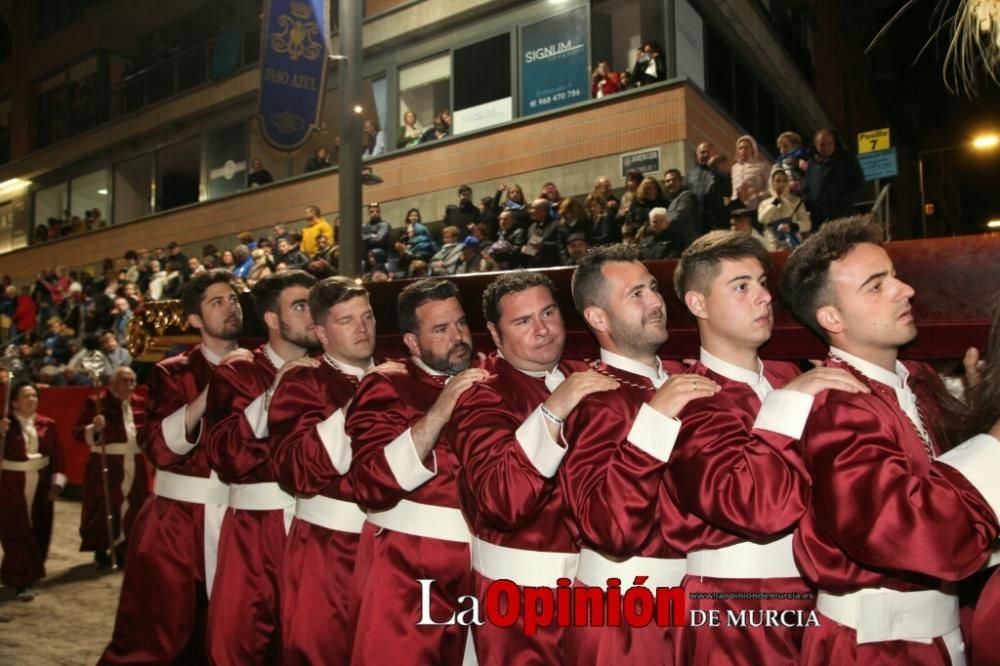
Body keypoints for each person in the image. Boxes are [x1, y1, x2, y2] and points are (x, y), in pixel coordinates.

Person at [780, 216, 1000, 665]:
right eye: (876, 286)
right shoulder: (834, 405)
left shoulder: (917, 379)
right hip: (875, 648)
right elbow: (903, 528)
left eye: (894, 276)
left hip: (940, 633)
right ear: (832, 317)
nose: (905, 290)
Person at [668, 231, 867, 665]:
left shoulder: (787, 375)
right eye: (741, 286)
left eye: (762, 283)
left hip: (819, 600)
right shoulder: (688, 397)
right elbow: (750, 506)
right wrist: (791, 402)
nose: (763, 297)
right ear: (698, 304)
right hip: (734, 608)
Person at [559, 244, 720, 663]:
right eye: (636, 294)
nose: (655, 302)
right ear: (598, 317)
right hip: (621, 617)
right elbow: (607, 529)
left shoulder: (689, 378)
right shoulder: (592, 397)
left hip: (695, 608)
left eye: (653, 288)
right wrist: (654, 419)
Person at [449, 272, 617, 663]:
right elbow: (502, 501)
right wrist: (555, 408)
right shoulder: (480, 394)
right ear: (494, 332)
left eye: (549, 313)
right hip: (519, 601)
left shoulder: (587, 374)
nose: (542, 330)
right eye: (523, 321)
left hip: (597, 592)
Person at [99, 270, 242, 664]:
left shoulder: (262, 367)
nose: (230, 307)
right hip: (176, 523)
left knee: (230, 629)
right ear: (194, 319)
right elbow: (159, 449)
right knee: (159, 633)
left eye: (233, 299)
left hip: (241, 519)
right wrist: (215, 389)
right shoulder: (172, 372)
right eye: (217, 302)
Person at [345, 279, 489, 665]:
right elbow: (368, 482)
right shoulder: (387, 384)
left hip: (483, 568)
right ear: (412, 342)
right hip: (407, 568)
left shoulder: (492, 375)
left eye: (460, 324)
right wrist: (440, 410)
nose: (458, 337)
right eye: (441, 330)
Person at [269, 277, 401, 665]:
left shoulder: (400, 375)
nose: (363, 328)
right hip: (327, 549)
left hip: (395, 548)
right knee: (320, 652)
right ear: (321, 332)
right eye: (347, 320)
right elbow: (295, 471)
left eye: (368, 316)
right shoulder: (303, 380)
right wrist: (363, 402)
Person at [203, 270, 319, 665]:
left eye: (314, 305)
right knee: (241, 640)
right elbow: (227, 458)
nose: (312, 315)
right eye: (301, 306)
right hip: (256, 529)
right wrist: (276, 391)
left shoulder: (330, 372)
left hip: (322, 533)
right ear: (272, 320)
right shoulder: (238, 372)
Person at [74, 366, 149, 569]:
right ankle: (102, 548)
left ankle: (125, 549)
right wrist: (94, 428)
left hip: (135, 460)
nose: (130, 385)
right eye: (125, 380)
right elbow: (78, 432)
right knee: (106, 505)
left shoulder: (141, 403)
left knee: (134, 504)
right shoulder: (96, 402)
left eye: (133, 380)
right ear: (112, 383)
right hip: (107, 461)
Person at [0, 380, 66, 602]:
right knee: (15, 529)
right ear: (14, 402)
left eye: (34, 396)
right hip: (10, 484)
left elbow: (57, 456)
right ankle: (21, 579)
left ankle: (24, 570)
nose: (32, 400)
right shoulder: (4, 425)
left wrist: (57, 484)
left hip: (41, 483)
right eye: (26, 396)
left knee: (39, 526)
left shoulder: (48, 424)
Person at [803, 129, 866, 229]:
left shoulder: (847, 159)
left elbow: (860, 184)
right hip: (818, 219)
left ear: (834, 143)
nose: (826, 147)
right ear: (816, 146)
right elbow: (807, 188)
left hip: (842, 216)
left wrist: (847, 201)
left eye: (829, 143)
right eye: (822, 145)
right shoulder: (812, 164)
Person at [757, 166, 812, 249]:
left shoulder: (796, 201)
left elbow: (807, 224)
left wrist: (791, 227)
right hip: (773, 245)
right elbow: (763, 219)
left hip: (793, 244)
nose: (781, 184)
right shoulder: (765, 203)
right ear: (772, 182)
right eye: (778, 181)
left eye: (784, 180)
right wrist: (776, 201)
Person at [663, 168, 701, 252]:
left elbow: (678, 217)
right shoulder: (671, 200)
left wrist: (659, 222)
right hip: (677, 246)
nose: (671, 183)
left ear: (681, 181)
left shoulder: (687, 196)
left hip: (689, 245)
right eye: (668, 181)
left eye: (674, 180)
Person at [731, 135, 770, 213]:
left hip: (756, 208)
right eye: (740, 148)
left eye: (746, 148)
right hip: (737, 207)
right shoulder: (734, 168)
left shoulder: (762, 166)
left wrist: (759, 197)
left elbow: (770, 186)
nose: (743, 151)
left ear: (752, 149)